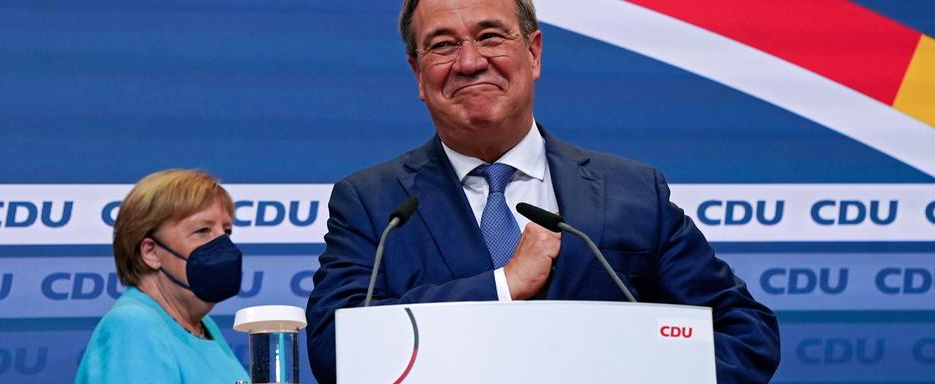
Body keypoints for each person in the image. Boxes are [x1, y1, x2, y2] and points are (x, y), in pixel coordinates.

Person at [306, 0, 780, 383]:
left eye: (490, 36)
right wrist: (501, 287)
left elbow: (745, 332)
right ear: (418, 75)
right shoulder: (372, 203)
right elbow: (335, 348)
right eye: (443, 45)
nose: (470, 62)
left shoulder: (633, 193)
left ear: (533, 53)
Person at [76, 169, 250, 383]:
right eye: (203, 230)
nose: (223, 245)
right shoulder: (134, 325)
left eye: (227, 231)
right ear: (151, 252)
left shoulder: (203, 326)